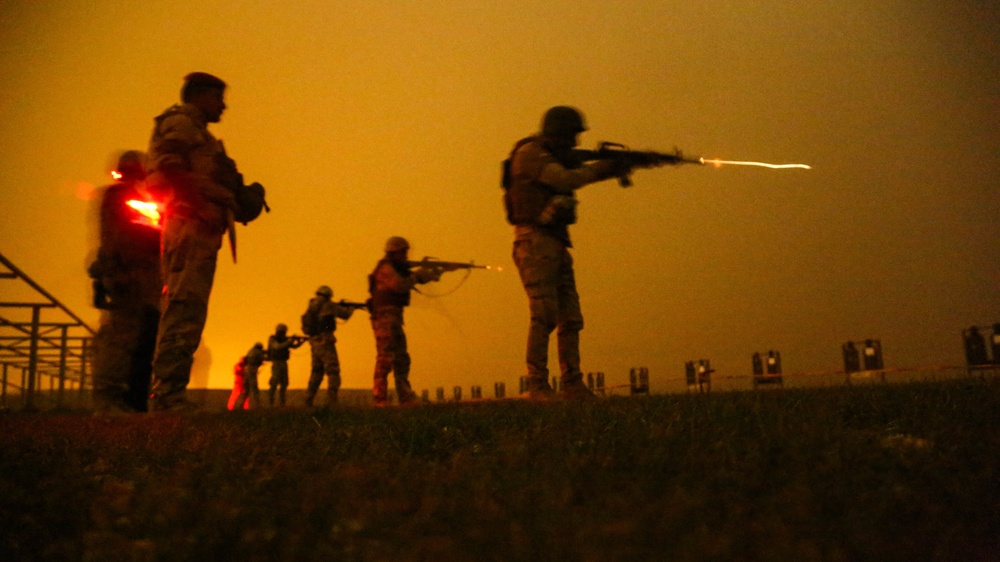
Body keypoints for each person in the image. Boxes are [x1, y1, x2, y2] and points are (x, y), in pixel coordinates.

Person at [502, 106, 665, 399]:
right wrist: (605, 168)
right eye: (571, 135)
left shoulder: (552, 154)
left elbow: (572, 173)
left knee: (571, 318)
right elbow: (565, 180)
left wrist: (624, 164)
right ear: (557, 132)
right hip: (534, 241)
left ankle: (572, 383)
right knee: (544, 314)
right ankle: (537, 384)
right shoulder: (530, 153)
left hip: (555, 240)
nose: (575, 142)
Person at [145, 72, 265, 411]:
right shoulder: (182, 124)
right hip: (190, 226)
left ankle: (169, 394)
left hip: (201, 229)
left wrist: (236, 196)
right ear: (198, 95)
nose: (223, 106)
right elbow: (170, 169)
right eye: (217, 98)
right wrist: (201, 204)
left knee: (189, 310)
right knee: (183, 308)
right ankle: (167, 396)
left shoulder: (201, 136)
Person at [88, 151, 161, 413]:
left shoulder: (132, 199)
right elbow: (120, 240)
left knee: (132, 338)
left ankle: (122, 400)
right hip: (129, 277)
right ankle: (108, 400)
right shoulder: (122, 198)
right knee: (119, 338)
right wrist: (117, 274)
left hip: (138, 278)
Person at [368, 236, 443, 406]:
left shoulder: (397, 268)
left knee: (401, 358)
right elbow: (400, 285)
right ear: (394, 252)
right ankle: (380, 398)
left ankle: (405, 396)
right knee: (385, 358)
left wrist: (431, 274)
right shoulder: (386, 268)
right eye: (403, 252)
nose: (406, 255)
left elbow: (411, 279)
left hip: (394, 318)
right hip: (384, 318)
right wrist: (418, 276)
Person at [301, 286, 355, 407]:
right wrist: (351, 308)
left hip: (314, 342)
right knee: (333, 371)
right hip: (326, 341)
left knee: (316, 372)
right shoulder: (329, 305)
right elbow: (344, 315)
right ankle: (331, 400)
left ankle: (308, 398)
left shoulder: (311, 307)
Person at [267, 323, 305, 406]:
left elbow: (294, 346)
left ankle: (282, 403)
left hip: (284, 362)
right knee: (274, 382)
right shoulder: (272, 339)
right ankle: (271, 402)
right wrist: (289, 341)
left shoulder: (285, 339)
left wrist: (301, 341)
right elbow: (278, 346)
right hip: (276, 362)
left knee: (284, 383)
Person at [233, 342, 265, 409]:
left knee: (246, 390)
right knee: (254, 388)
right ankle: (258, 405)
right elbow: (261, 359)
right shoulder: (258, 352)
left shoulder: (250, 351)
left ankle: (240, 405)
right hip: (252, 369)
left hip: (246, 369)